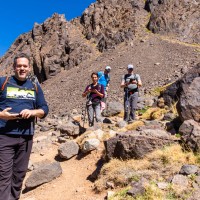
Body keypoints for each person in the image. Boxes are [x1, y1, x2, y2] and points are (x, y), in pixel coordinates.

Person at [0, 53, 49, 200]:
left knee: (19, 174)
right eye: (19, 66)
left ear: (29, 68)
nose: (22, 68)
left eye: (25, 66)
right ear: (14, 67)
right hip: (4, 136)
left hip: (26, 138)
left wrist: (33, 112)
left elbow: (44, 109)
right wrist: (1, 115)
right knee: (3, 175)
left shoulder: (35, 86)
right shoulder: (3, 82)